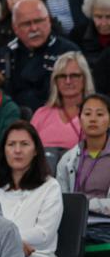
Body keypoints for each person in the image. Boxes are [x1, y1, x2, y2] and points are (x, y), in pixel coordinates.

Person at [0, 121, 63, 257]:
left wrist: (8, 242)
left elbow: (44, 234)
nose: (17, 150)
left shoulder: (50, 187)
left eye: (24, 144)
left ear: (35, 151)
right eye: (11, 144)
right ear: (3, 150)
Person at [0, 0, 80, 112]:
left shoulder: (68, 52)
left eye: (39, 21)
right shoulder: (5, 55)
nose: (34, 28)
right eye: (26, 24)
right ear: (15, 28)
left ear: (49, 21)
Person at [55, 93, 110, 244]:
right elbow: (60, 198)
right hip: (73, 225)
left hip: (105, 227)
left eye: (100, 114)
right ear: (80, 119)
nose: (93, 119)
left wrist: (85, 205)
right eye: (87, 114)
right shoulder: (67, 159)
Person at [30, 50, 94, 149]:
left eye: (74, 76)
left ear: (85, 78)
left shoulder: (97, 114)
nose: (68, 81)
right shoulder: (41, 114)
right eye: (62, 76)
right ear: (55, 81)